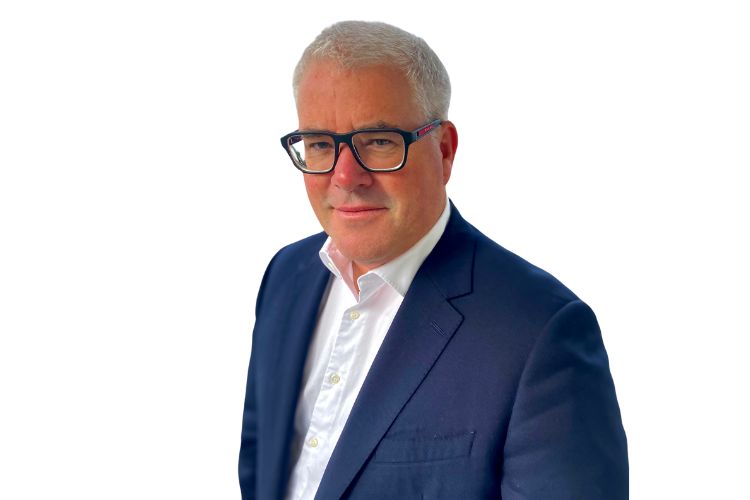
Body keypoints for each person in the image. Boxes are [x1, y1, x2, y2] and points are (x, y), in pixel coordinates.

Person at [239, 20, 628, 500]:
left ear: (443, 151)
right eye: (320, 144)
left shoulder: (539, 332)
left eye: (379, 141)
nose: (345, 176)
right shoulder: (287, 277)